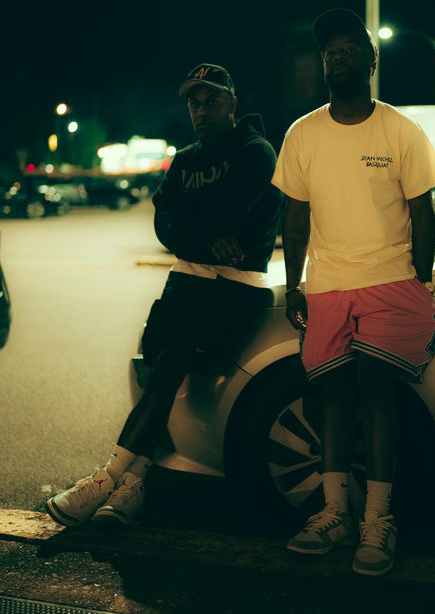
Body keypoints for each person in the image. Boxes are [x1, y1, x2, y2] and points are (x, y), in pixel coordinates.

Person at [47, 63, 282, 527]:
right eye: (194, 103)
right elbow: (163, 222)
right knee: (159, 377)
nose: (201, 110)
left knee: (167, 372)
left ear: (233, 103)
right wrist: (203, 234)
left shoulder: (256, 152)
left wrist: (193, 225)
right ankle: (132, 488)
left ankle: (106, 478)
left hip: (231, 287)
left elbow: (231, 215)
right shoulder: (186, 159)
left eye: (211, 100)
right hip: (184, 283)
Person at [271, 9, 435, 576]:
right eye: (330, 52)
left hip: (390, 279)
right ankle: (335, 513)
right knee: (332, 396)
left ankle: (377, 518)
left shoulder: (399, 130)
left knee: (376, 389)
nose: (337, 57)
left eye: (349, 49)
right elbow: (294, 218)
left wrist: (422, 280)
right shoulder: (302, 133)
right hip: (327, 286)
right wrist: (294, 284)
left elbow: (423, 211)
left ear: (371, 63)